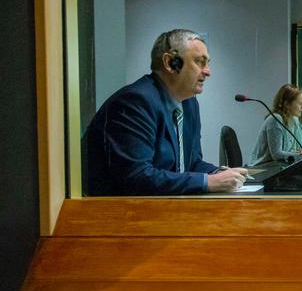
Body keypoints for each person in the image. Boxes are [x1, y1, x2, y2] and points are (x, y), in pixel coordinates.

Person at [85, 29, 248, 195]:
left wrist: (219, 173)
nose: (207, 71)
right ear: (170, 63)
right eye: (200, 62)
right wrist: (208, 181)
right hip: (120, 214)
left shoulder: (189, 103)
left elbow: (191, 164)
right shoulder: (134, 102)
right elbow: (136, 177)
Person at [249, 84, 302, 165]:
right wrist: (301, 155)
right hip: (263, 168)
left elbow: (291, 151)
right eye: (300, 103)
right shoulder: (275, 119)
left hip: (279, 167)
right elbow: (276, 154)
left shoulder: (295, 120)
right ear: (287, 104)